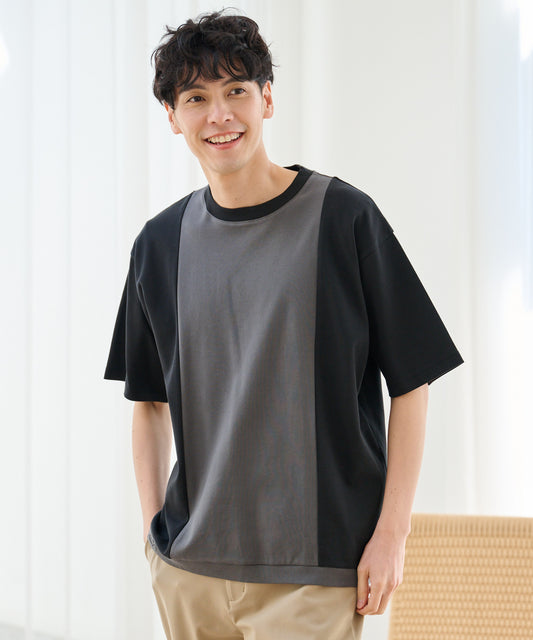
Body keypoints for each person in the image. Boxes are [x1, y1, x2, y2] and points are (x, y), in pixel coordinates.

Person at [104, 9, 464, 640]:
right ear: (172, 116)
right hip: (191, 571)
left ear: (267, 99)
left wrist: (392, 534)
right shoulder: (159, 244)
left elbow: (413, 382)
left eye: (236, 91)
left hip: (317, 571)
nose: (219, 115)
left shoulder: (343, 218)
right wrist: (154, 536)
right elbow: (149, 403)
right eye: (196, 98)